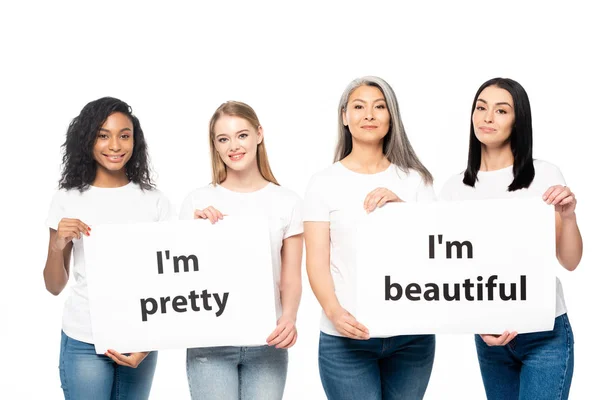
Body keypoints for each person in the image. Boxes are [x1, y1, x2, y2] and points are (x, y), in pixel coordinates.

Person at [439, 77, 582, 399]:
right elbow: (452, 272)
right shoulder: (453, 189)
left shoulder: (544, 175)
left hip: (544, 334)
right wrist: (477, 323)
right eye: (481, 107)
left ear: (518, 121)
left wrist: (569, 216)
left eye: (501, 110)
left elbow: (570, 261)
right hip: (489, 337)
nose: (487, 118)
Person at [303, 76, 436, 400]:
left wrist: (403, 211)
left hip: (411, 338)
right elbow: (317, 262)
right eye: (359, 107)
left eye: (379, 107)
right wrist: (334, 313)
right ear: (344, 117)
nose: (369, 115)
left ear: (391, 118)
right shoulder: (323, 183)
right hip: (345, 340)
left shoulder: (416, 181)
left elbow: (436, 251)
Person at [44, 97, 173, 399]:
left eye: (124, 135)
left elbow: (169, 282)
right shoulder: (67, 199)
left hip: (140, 338)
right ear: (88, 139)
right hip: (84, 340)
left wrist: (148, 342)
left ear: (134, 141)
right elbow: (53, 286)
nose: (115, 145)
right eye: (103, 135)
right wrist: (57, 244)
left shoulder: (155, 201)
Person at [180, 101, 303, 400]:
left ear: (259, 134)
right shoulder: (197, 200)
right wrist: (191, 231)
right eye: (223, 139)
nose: (234, 146)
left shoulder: (287, 201)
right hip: (210, 342)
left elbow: (290, 277)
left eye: (242, 135)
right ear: (216, 146)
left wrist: (289, 317)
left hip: (267, 343)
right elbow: (180, 276)